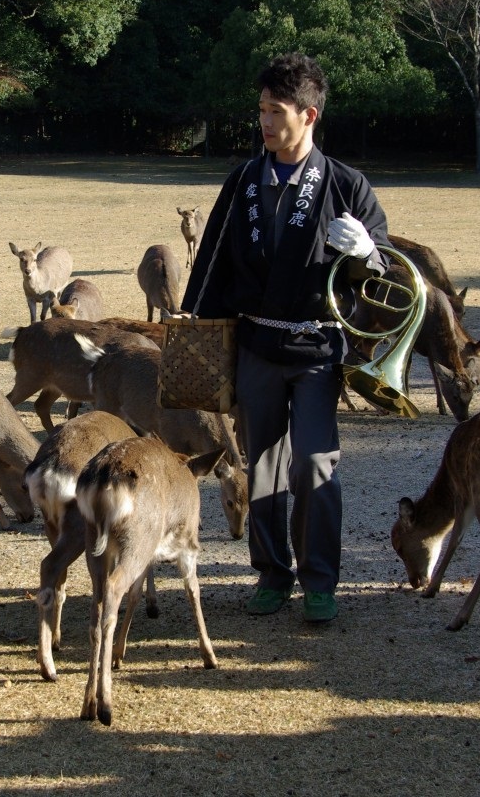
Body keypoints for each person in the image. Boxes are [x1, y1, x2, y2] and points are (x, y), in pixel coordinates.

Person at [181, 52, 389, 623]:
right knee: (264, 466)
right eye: (261, 111)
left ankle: (321, 580)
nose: (265, 123)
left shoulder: (347, 186)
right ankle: (273, 573)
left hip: (318, 350)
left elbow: (387, 278)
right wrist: (192, 328)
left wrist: (368, 255)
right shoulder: (245, 180)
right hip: (256, 346)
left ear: (309, 115)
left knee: (315, 464)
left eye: (277, 111)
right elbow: (214, 263)